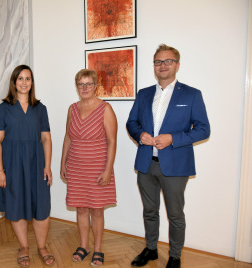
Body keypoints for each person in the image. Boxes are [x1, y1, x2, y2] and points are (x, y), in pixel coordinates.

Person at [126, 44, 210, 268]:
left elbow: (203, 129)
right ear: (153, 65)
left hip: (175, 166)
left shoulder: (192, 94)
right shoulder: (144, 94)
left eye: (167, 61)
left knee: (175, 215)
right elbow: (131, 123)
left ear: (177, 65)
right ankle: (151, 250)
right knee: (150, 211)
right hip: (146, 164)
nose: (162, 66)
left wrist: (173, 138)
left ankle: (174, 256)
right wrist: (139, 134)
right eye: (158, 62)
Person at [0, 65, 55, 267]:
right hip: (12, 165)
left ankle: (42, 247)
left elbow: (46, 139)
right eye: (20, 78)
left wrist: (47, 166)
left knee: (42, 206)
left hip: (37, 164)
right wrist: (0, 170)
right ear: (14, 82)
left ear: (32, 83)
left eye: (28, 78)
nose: (24, 82)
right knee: (16, 205)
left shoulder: (40, 108)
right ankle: (24, 247)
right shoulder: (3, 108)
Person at [60, 69, 117, 266]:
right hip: (75, 167)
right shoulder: (72, 109)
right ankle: (84, 246)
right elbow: (68, 137)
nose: (84, 88)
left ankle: (98, 248)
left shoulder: (105, 109)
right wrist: (62, 163)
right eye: (80, 84)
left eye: (88, 84)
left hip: (97, 167)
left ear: (95, 86)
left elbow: (112, 141)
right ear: (76, 87)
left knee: (97, 211)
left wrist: (108, 170)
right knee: (81, 209)